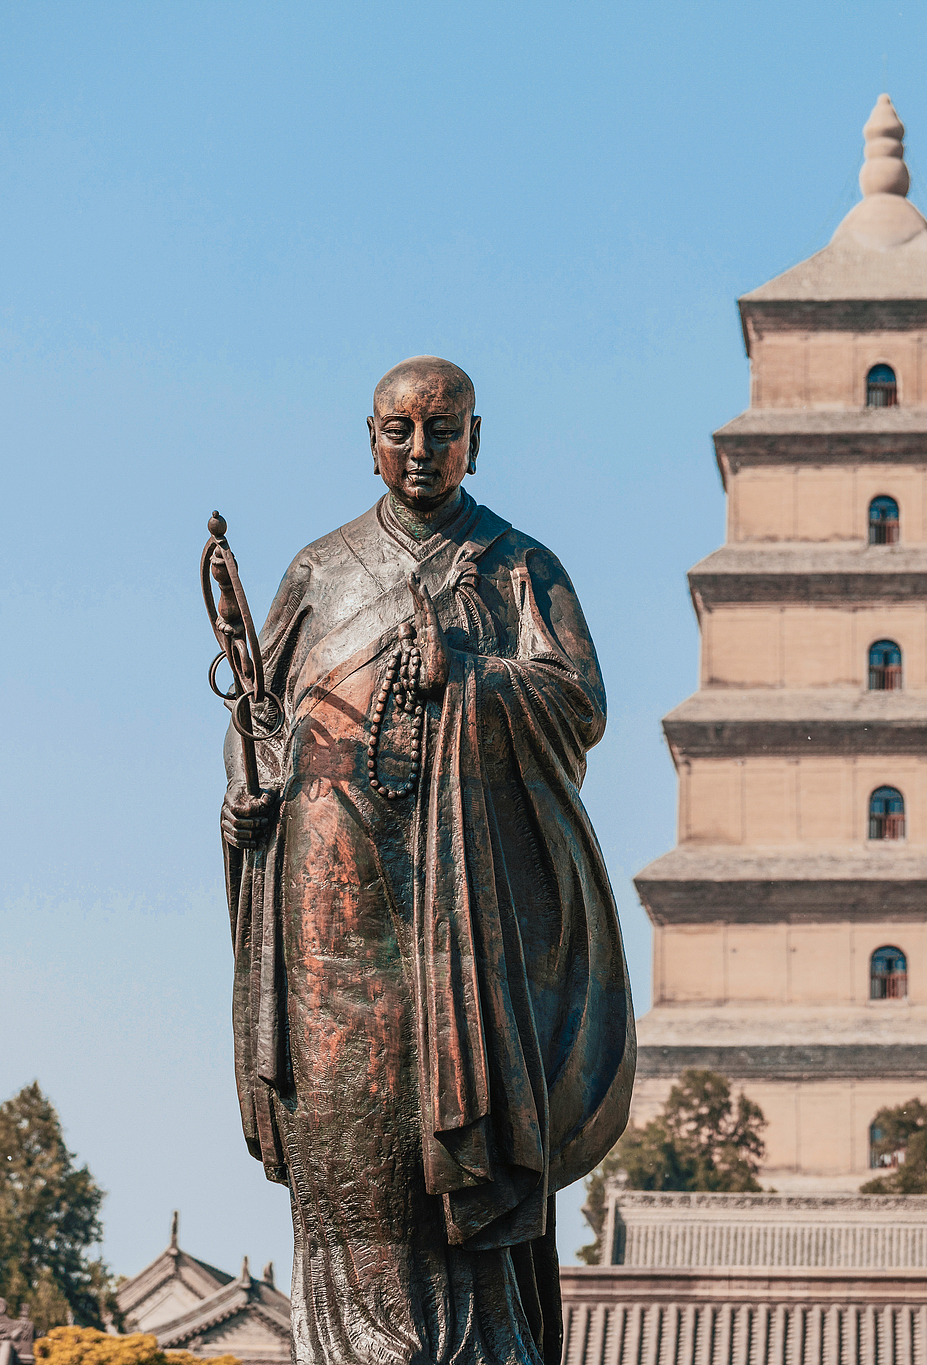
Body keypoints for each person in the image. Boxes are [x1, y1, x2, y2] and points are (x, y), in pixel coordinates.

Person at [219, 356, 634, 1365]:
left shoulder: (516, 565)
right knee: (345, 1144)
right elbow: (263, 724)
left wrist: (470, 677)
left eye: (440, 431)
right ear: (369, 438)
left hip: (464, 918)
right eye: (398, 431)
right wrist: (249, 800)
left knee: (461, 1140)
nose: (418, 450)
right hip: (329, 912)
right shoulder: (317, 571)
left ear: (474, 440)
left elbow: (578, 703)